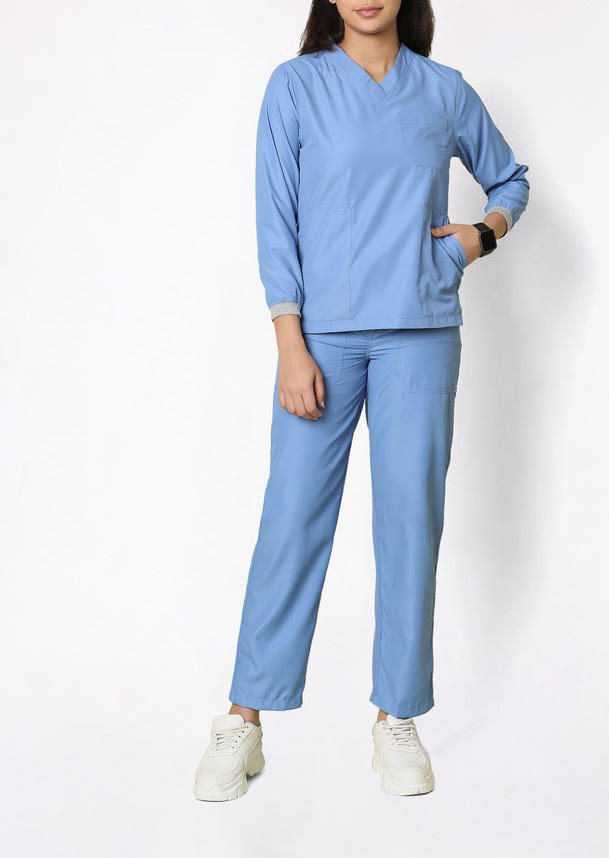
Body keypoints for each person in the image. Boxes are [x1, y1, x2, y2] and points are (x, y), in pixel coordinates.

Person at [194, 0, 530, 800]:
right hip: (322, 341)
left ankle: (396, 718)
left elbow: (511, 181)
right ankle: (243, 720)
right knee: (291, 522)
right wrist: (289, 341)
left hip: (421, 332)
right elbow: (275, 217)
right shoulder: (296, 86)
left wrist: (481, 234)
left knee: (410, 523)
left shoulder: (443, 90)